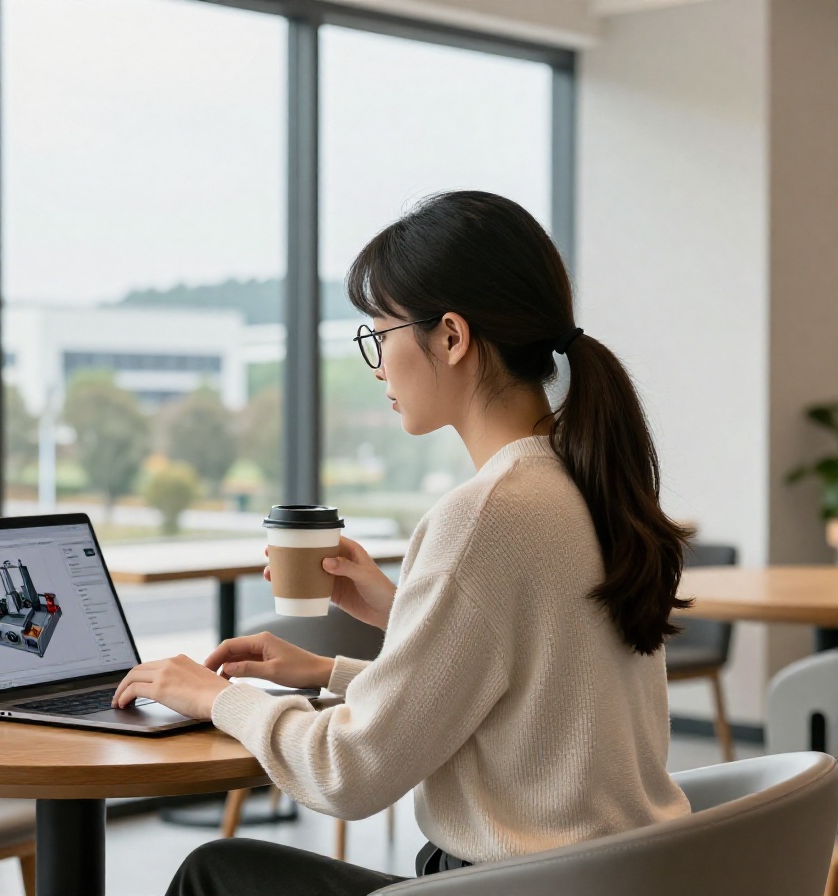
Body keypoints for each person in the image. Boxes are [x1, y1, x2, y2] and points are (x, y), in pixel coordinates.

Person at [110, 190, 695, 895]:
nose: (379, 363)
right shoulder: (586, 481)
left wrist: (212, 698)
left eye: (379, 333)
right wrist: (349, 656)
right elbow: (540, 697)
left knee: (214, 873)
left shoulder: (485, 516)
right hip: (615, 877)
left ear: (451, 336)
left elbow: (348, 774)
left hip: (515, 884)